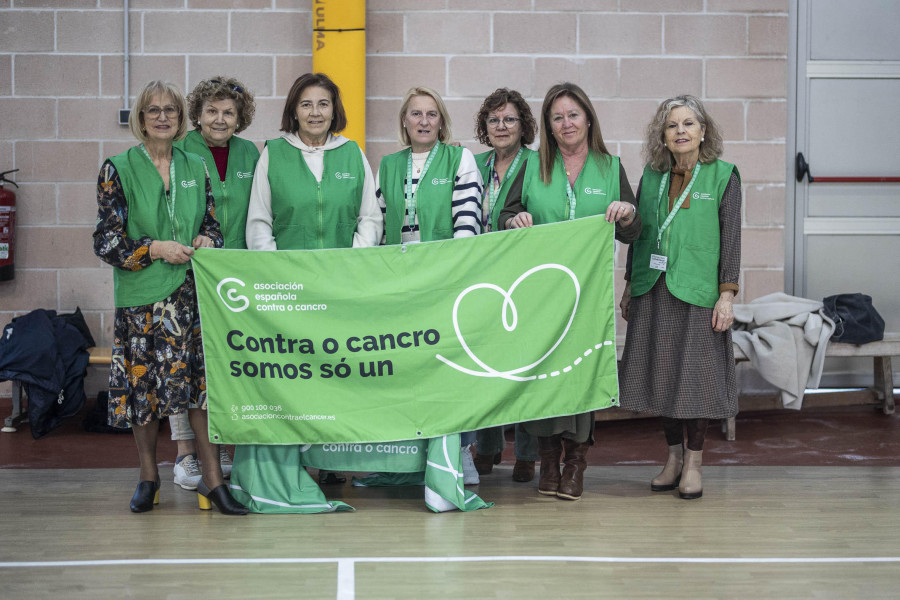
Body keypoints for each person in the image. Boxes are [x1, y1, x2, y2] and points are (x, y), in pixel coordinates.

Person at [92, 80, 247, 515]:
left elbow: (214, 224)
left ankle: (213, 482)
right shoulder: (116, 168)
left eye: (171, 111)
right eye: (153, 110)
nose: (163, 117)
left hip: (192, 295)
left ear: (182, 120)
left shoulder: (196, 165)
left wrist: (207, 238)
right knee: (144, 393)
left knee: (201, 391)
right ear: (141, 119)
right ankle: (148, 477)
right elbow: (105, 241)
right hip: (141, 298)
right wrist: (153, 248)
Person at [237, 72, 381, 511]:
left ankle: (334, 458)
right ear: (293, 110)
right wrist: (280, 273)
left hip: (341, 286)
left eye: (323, 104)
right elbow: (259, 222)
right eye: (306, 104)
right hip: (289, 289)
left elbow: (370, 218)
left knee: (336, 372)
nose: (315, 112)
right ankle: (293, 462)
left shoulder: (353, 153)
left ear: (334, 109)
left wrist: (348, 265)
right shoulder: (273, 154)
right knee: (297, 376)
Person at [498, 82, 641, 501]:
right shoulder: (532, 166)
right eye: (557, 117)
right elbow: (504, 215)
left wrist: (627, 212)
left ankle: (576, 463)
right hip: (539, 293)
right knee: (542, 374)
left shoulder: (610, 167)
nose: (566, 123)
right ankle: (547, 460)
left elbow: (634, 231)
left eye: (573, 115)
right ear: (548, 125)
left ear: (589, 118)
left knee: (581, 373)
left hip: (588, 295)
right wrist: (515, 218)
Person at [619, 94, 741, 500]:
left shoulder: (724, 175)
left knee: (696, 381)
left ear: (703, 131)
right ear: (663, 135)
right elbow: (639, 236)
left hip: (699, 293)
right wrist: (628, 285)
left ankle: (694, 464)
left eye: (689, 124)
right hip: (652, 288)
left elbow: (731, 240)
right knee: (661, 376)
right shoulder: (651, 177)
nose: (681, 131)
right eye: (673, 126)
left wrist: (727, 295)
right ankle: (672, 459)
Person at [376, 86, 483, 483]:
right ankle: (405, 458)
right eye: (416, 114)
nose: (423, 121)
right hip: (398, 283)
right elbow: (376, 223)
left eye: (431, 114)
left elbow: (468, 224)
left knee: (452, 368)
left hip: (444, 280)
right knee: (407, 369)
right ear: (404, 120)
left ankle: (462, 451)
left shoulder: (459, 158)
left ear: (442, 121)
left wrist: (445, 275)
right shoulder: (387, 164)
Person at [169, 76, 259, 490]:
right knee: (185, 361)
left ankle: (220, 445)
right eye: (212, 111)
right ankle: (187, 453)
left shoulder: (249, 153)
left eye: (228, 112)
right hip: (186, 272)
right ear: (198, 115)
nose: (220, 119)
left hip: (236, 271)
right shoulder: (180, 149)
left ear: (240, 118)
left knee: (225, 362)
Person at [470, 88, 539, 482]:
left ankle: (527, 453)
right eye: (494, 119)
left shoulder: (538, 164)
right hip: (480, 279)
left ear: (523, 125)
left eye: (509, 119)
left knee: (524, 367)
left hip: (522, 279)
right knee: (485, 365)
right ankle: (489, 446)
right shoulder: (472, 164)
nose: (501, 126)